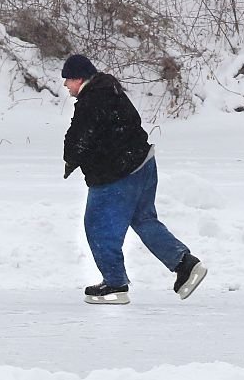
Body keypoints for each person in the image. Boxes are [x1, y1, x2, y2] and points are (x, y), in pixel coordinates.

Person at [61, 54, 207, 305]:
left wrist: (70, 159)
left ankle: (115, 284)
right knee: (143, 220)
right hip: (143, 164)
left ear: (78, 78)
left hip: (118, 173)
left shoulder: (92, 100)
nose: (65, 86)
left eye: (67, 80)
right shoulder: (111, 90)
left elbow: (78, 139)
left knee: (98, 225)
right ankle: (185, 265)